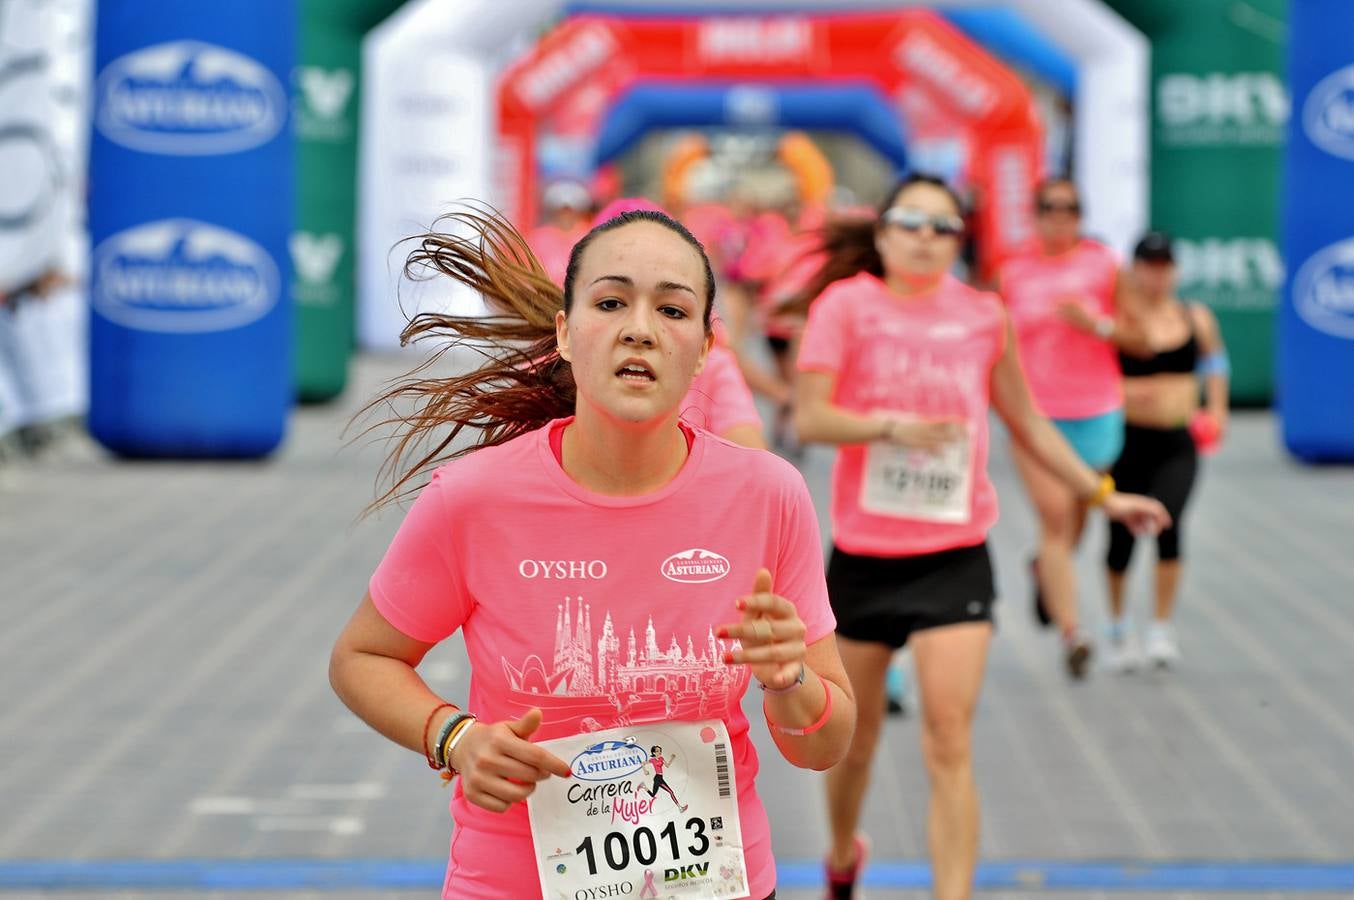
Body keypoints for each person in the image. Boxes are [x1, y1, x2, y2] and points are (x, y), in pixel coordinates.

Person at [330, 206, 857, 900]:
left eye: (672, 310)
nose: (639, 327)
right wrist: (455, 738)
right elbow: (362, 658)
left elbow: (821, 747)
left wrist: (788, 679)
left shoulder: (767, 495)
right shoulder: (474, 498)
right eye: (610, 302)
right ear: (566, 334)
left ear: (704, 349)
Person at [787, 174, 1170, 900]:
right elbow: (810, 419)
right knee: (856, 744)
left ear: (960, 242)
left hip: (955, 556)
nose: (926, 238)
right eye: (910, 222)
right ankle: (841, 856)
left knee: (947, 739)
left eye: (943, 227)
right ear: (882, 233)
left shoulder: (983, 315)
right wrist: (892, 426)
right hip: (864, 557)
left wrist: (1105, 496)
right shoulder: (847, 307)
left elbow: (1026, 420)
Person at [995, 178, 1147, 679]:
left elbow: (1139, 338)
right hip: (1036, 416)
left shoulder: (1104, 265)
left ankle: (1045, 569)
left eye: (1070, 209)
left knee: (1079, 520)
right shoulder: (1012, 271)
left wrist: (1095, 324)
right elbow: (992, 342)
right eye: (1050, 208)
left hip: (1097, 410)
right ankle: (1072, 633)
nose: (1060, 217)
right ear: (1035, 214)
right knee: (1056, 518)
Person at [1105, 231, 1229, 670]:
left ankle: (1161, 625)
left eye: (1164, 266)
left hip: (1177, 439)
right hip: (1125, 439)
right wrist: (1129, 393)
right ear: (1135, 270)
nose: (1157, 275)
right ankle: (1118, 627)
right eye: (1148, 266)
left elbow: (1215, 362)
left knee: (1169, 521)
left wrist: (1216, 409)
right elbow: (1092, 373)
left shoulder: (1195, 317)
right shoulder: (1120, 322)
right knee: (1120, 537)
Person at [527, 180, 592, 284]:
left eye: (570, 211)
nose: (566, 216)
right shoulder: (538, 237)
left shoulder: (590, 236)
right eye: (561, 211)